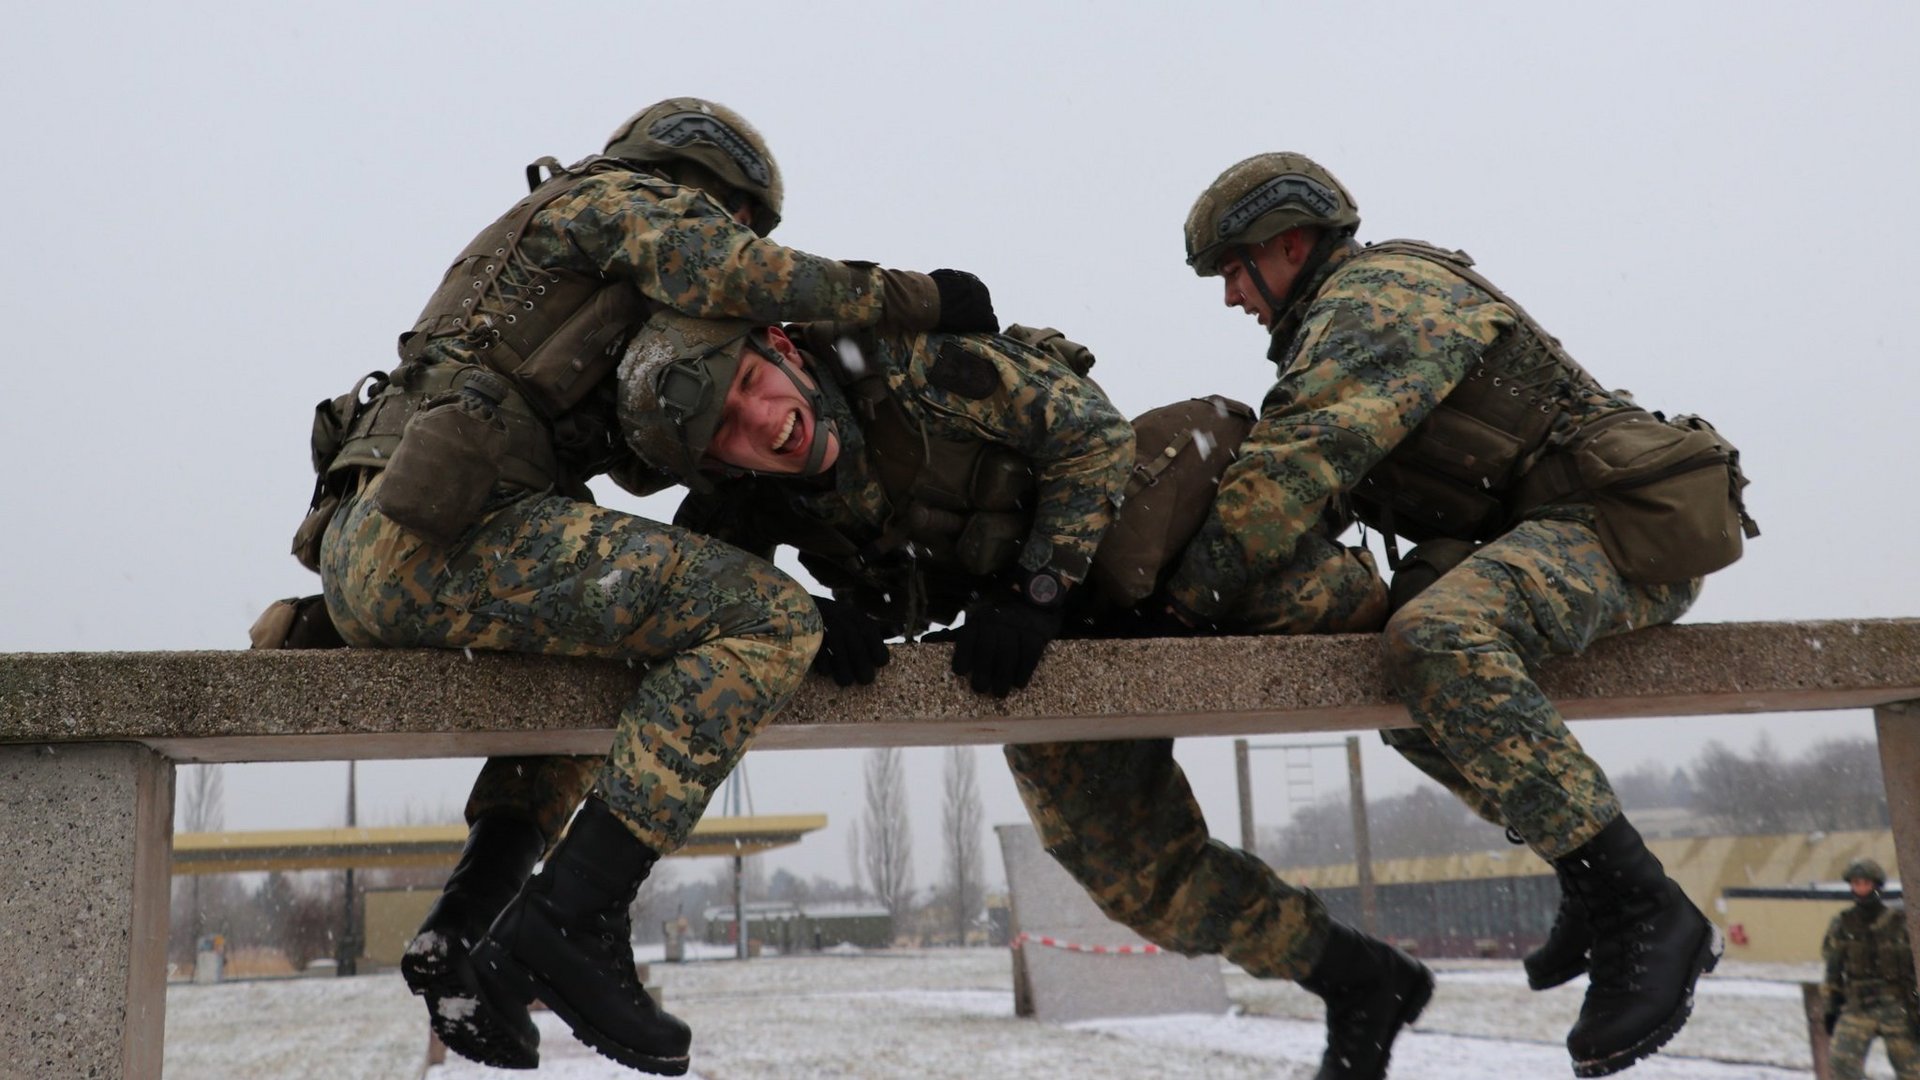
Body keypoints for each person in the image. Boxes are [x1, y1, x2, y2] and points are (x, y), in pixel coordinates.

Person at [289, 97, 999, 1076]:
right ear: (708, 183)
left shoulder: (556, 259)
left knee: (636, 654)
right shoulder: (618, 201)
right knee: (766, 620)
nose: (735, 243)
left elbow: (684, 492)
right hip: (442, 539)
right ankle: (574, 921)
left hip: (389, 540)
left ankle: (466, 927)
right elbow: (739, 272)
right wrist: (923, 298)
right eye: (737, 217)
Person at [616, 310, 1417, 1080]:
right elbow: (695, 588)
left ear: (785, 346)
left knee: (1379, 635)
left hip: (1157, 558)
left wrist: (1037, 591)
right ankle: (1358, 979)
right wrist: (804, 616)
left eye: (754, 380)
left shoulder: (905, 365)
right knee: (1141, 880)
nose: (763, 420)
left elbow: (1091, 435)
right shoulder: (743, 494)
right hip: (1065, 647)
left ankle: (1462, 635)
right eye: (725, 428)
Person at [1177, 152, 1759, 1078]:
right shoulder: (1332, 321)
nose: (1229, 299)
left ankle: (1646, 907)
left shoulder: (1379, 303)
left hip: (1619, 530)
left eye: (1232, 273)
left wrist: (1171, 599)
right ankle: (1587, 871)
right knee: (1394, 677)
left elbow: (1287, 475)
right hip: (1543, 534)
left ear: (1288, 243)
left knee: (1438, 638)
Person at [1822, 859, 1920, 1079]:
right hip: (1858, 1006)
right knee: (1841, 1064)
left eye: (1865, 883)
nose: (1861, 888)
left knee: (1912, 1070)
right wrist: (1831, 1006)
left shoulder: (1901, 922)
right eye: (1856, 883)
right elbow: (1833, 970)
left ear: (1876, 885)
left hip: (1898, 1006)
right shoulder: (1842, 924)